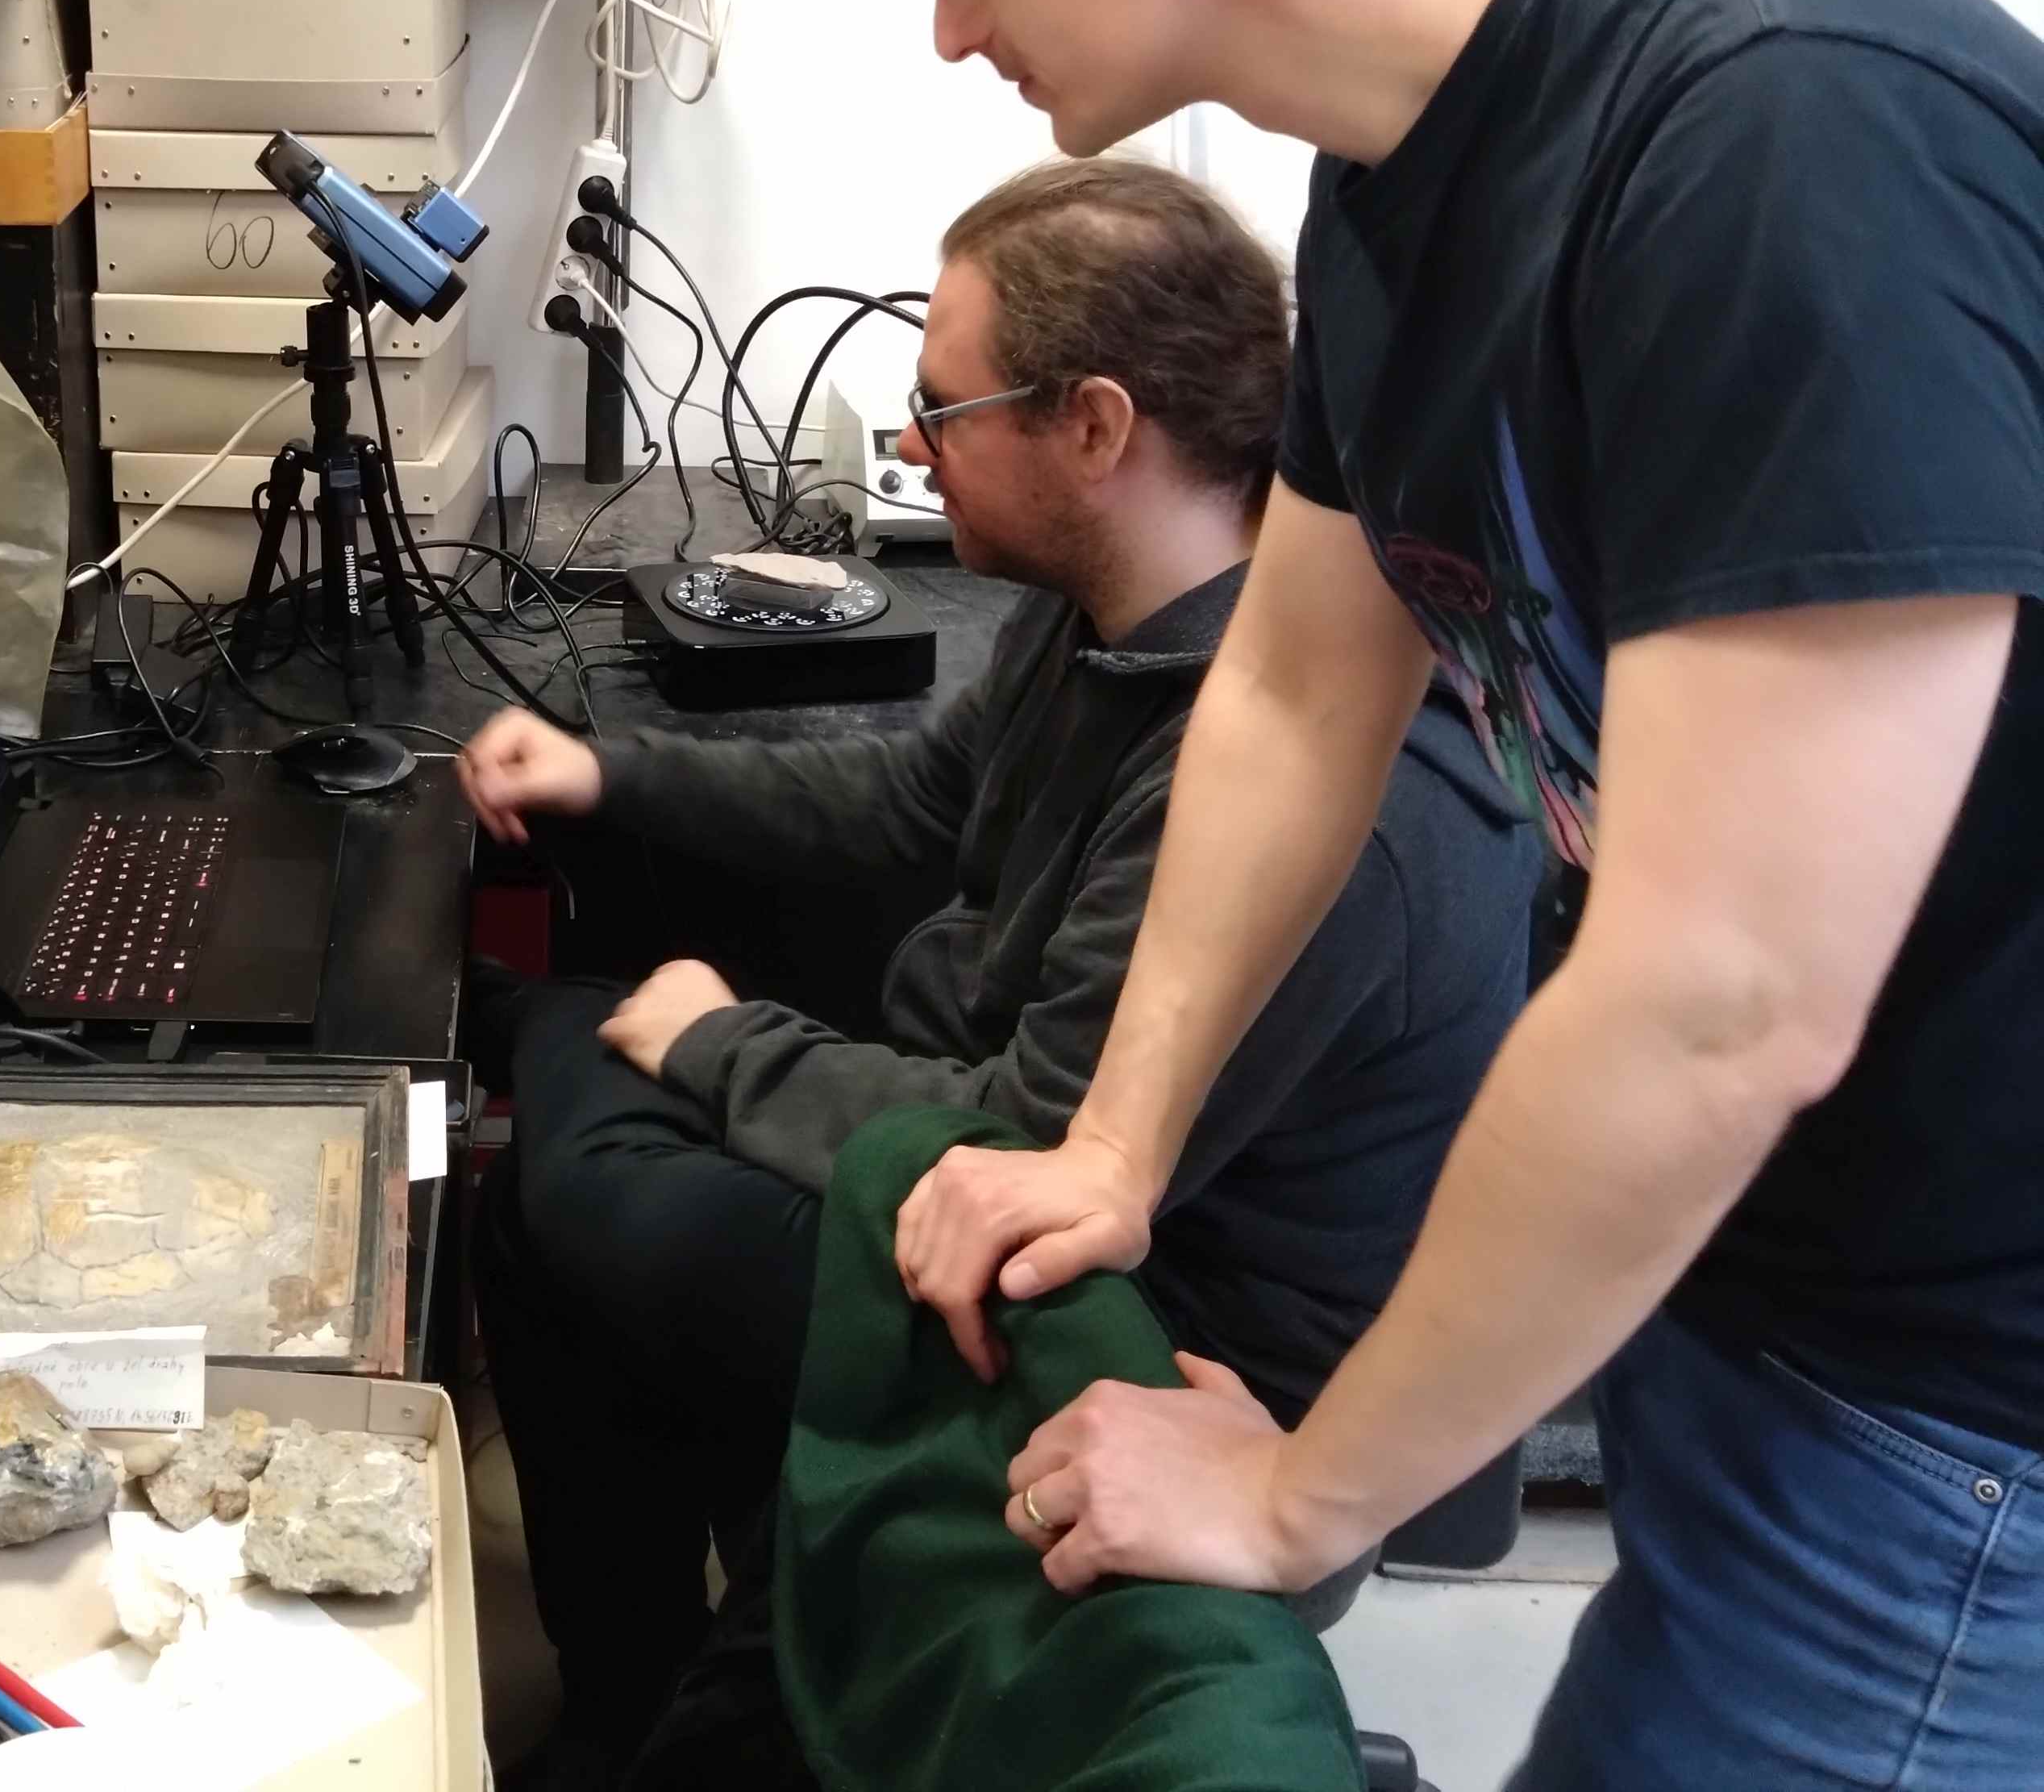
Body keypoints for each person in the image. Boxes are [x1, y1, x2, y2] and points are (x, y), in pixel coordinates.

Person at [811, 0, 2044, 1792]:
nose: (946, 22)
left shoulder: (1779, 141)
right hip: (1750, 1296)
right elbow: (1296, 685)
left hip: (1961, 1416)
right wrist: (1116, 1148)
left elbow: (1719, 1001)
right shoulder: (1395, 202)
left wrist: (1302, 1495)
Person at [460, 156, 1538, 1789]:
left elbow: (1035, 1146)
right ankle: (630, 1691)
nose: (910, 446)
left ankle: (701, 1676)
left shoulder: (1314, 807)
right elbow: (915, 798)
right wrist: (609, 774)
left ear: (1095, 427)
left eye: (941, 408)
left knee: (590, 1162)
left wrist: (717, 1046)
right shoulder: (1106, 605)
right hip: (1000, 1167)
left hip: (1138, 1328)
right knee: (546, 1196)